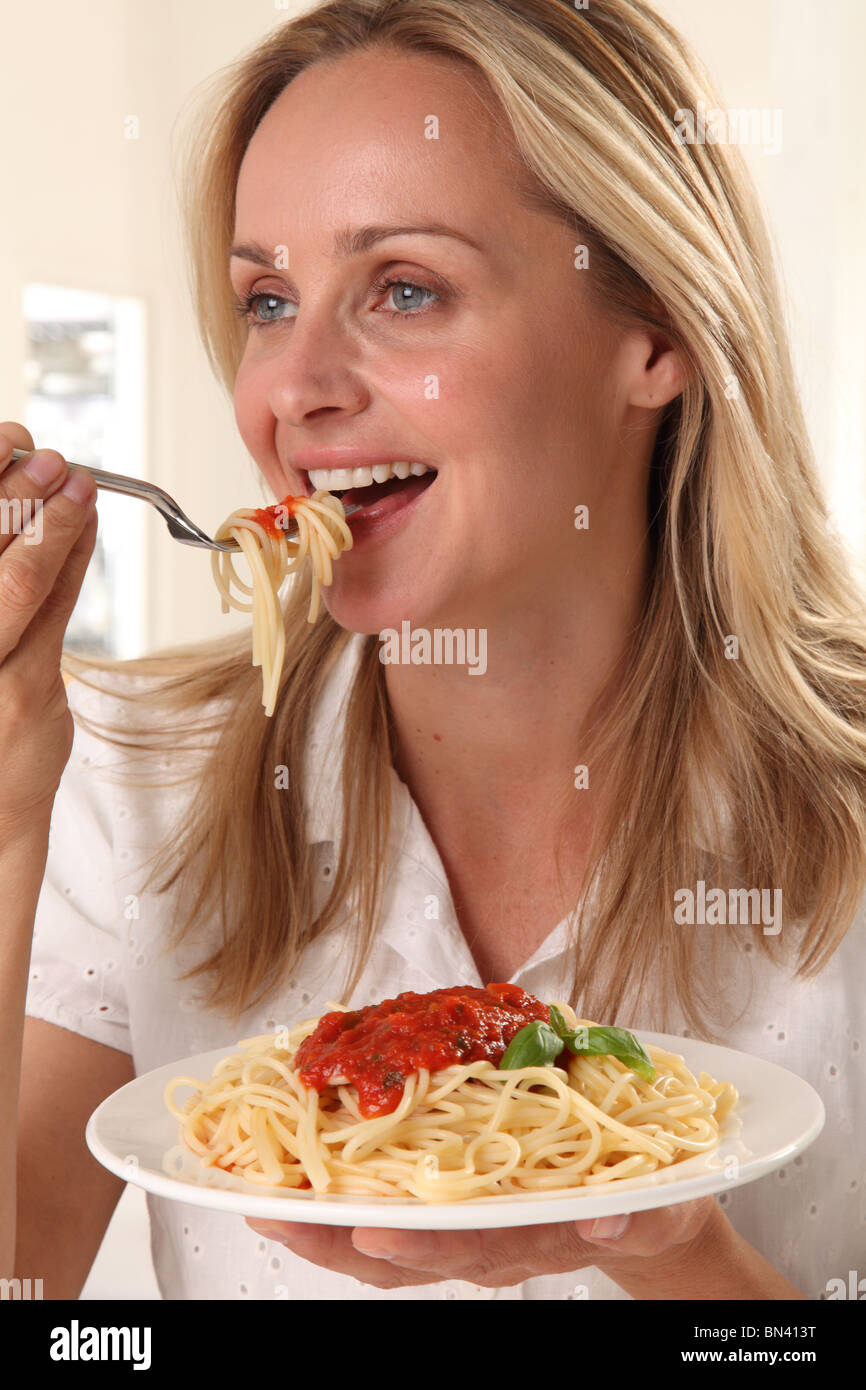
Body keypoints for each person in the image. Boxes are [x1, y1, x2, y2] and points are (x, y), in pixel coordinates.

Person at [4, 0, 864, 1301]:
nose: (292, 390)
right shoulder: (133, 784)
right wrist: (10, 801)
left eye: (404, 289)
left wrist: (682, 1256)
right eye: (269, 299)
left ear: (657, 334)